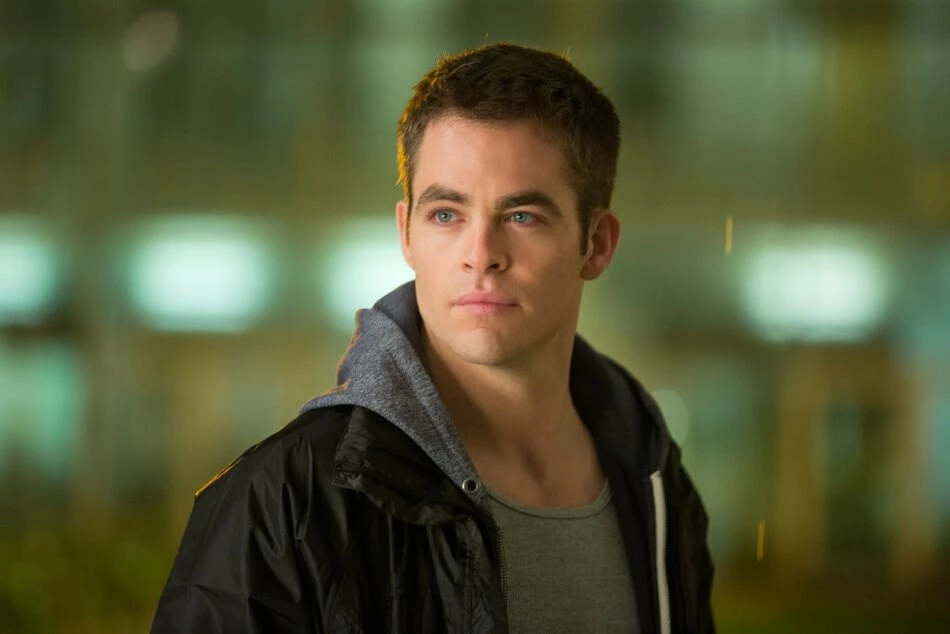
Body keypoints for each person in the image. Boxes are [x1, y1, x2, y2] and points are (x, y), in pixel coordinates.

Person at [151, 42, 715, 633]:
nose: (481, 255)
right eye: (447, 214)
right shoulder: (284, 501)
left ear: (596, 244)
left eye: (522, 216)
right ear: (407, 234)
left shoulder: (655, 483)